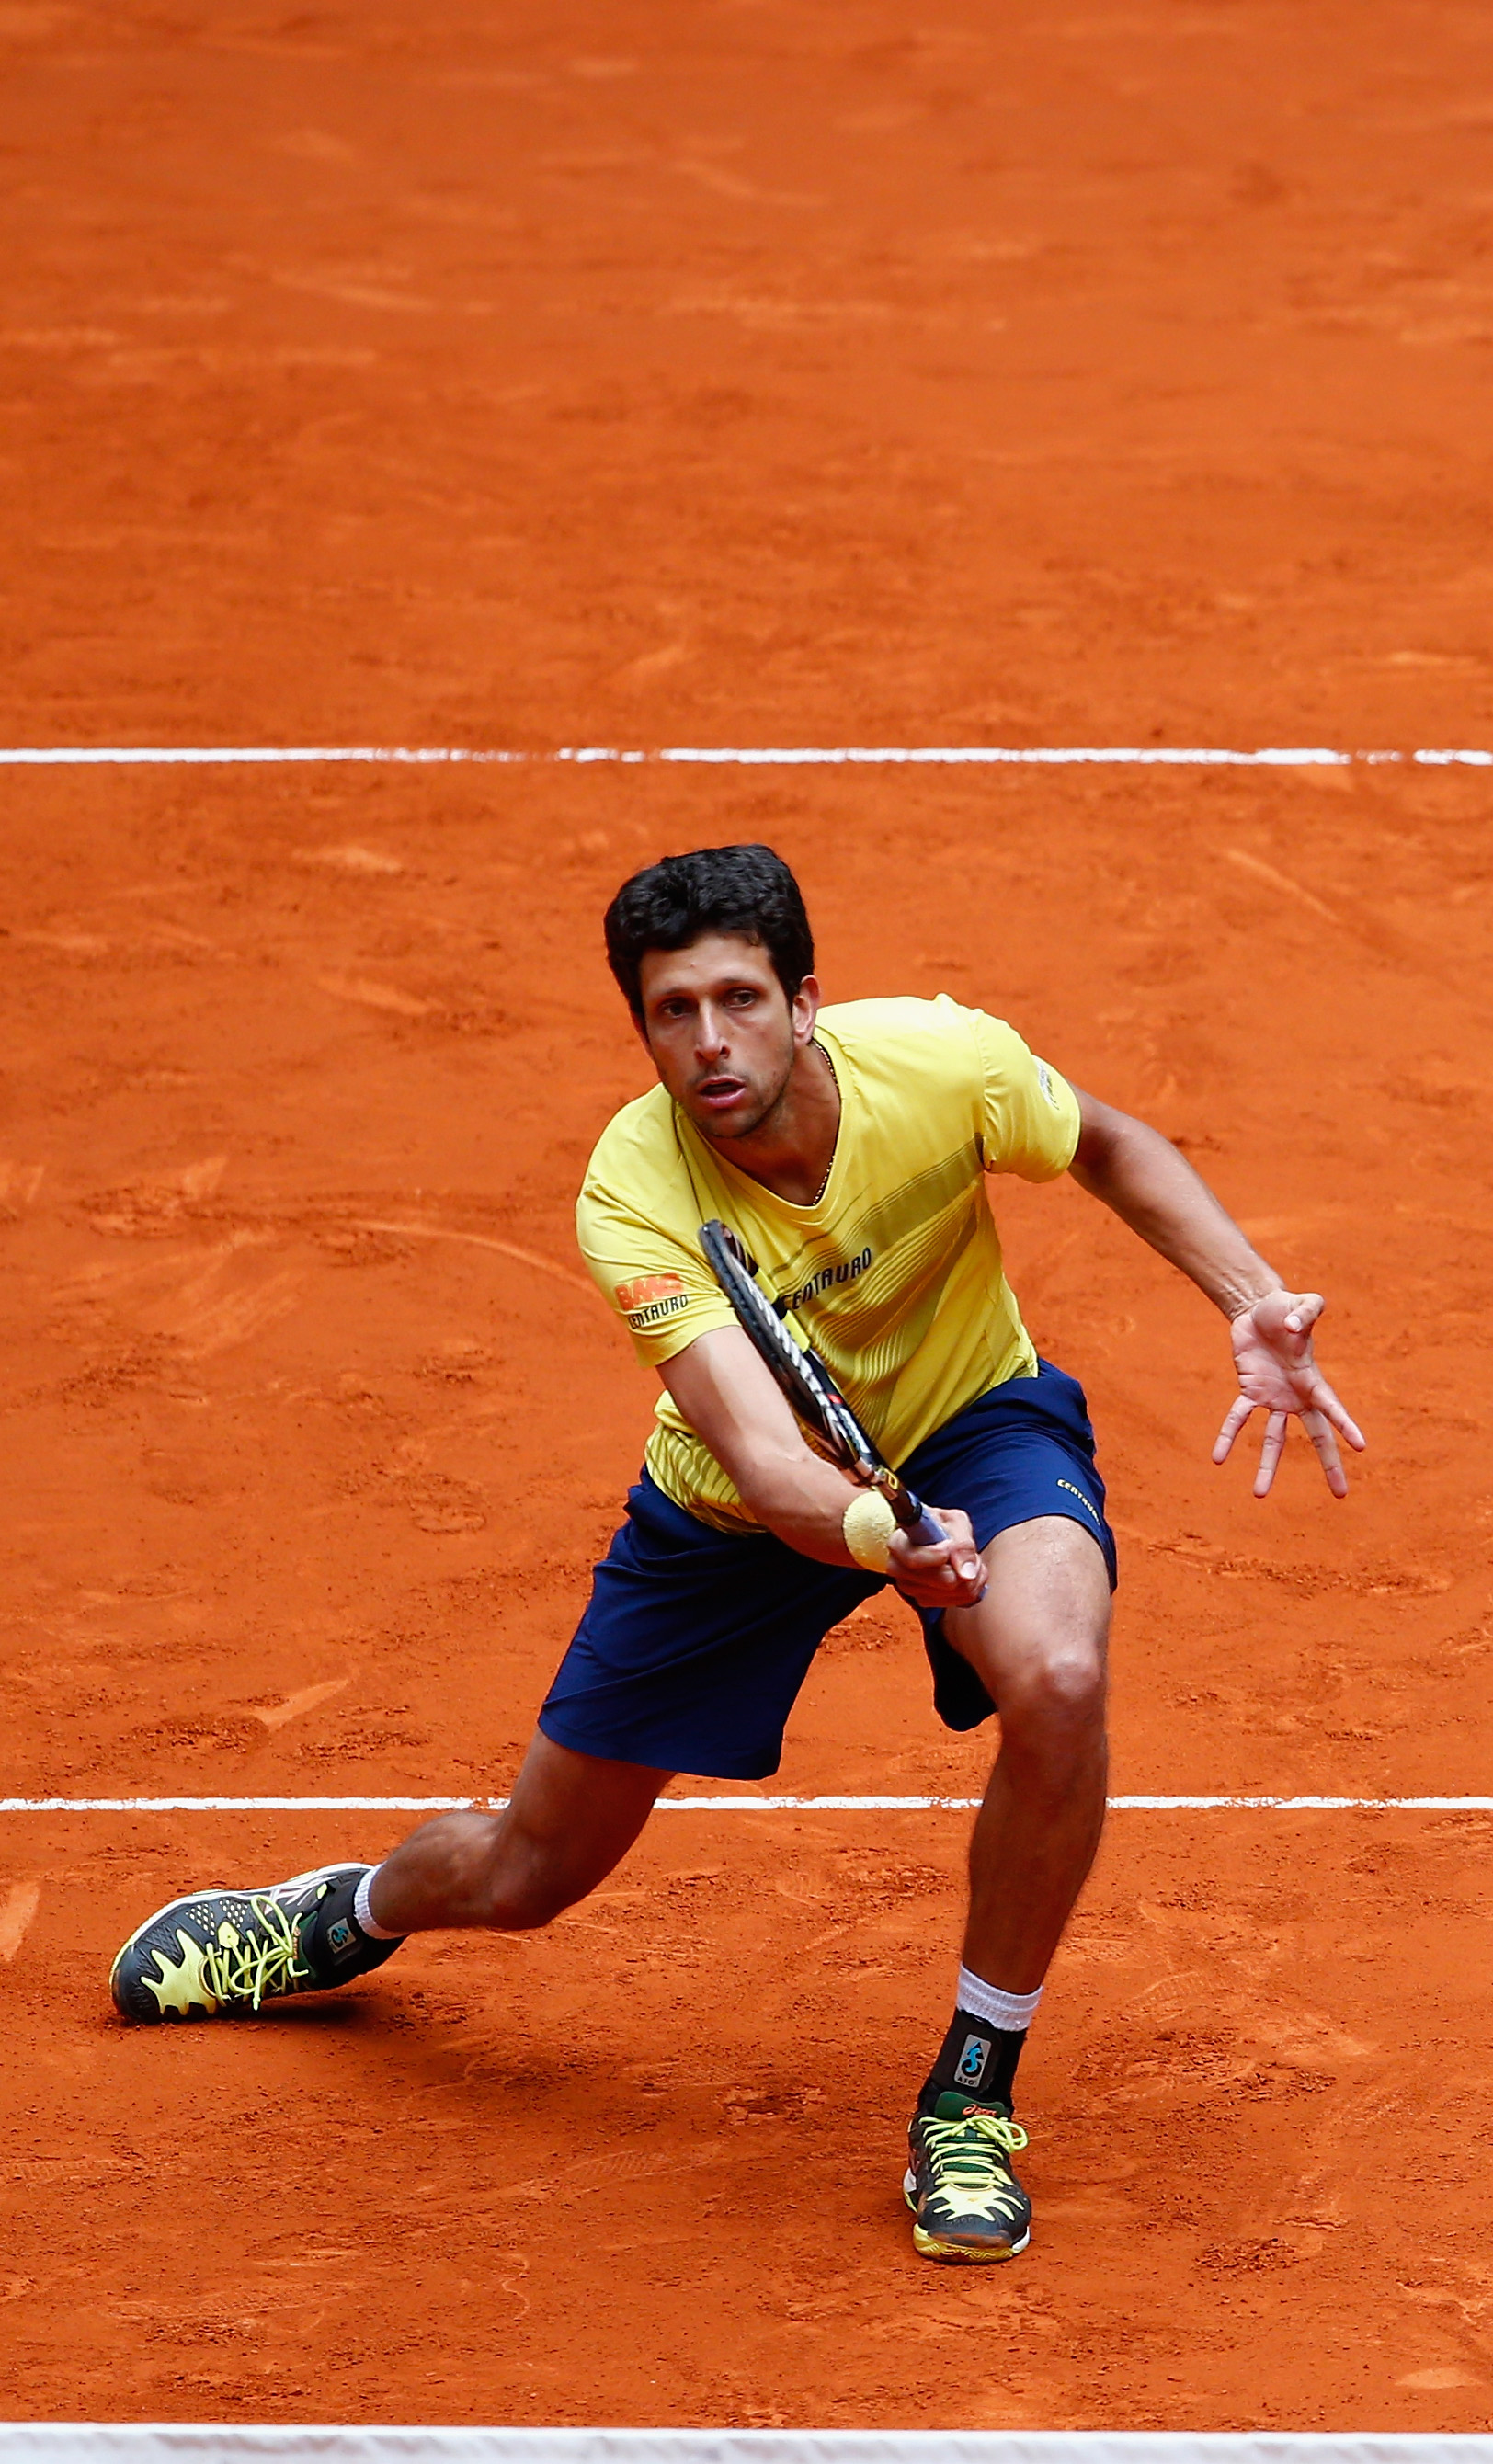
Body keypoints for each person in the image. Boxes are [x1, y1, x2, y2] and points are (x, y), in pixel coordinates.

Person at [107, 844, 1363, 2266]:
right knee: (532, 1874)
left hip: (970, 1422)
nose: (709, 1043)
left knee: (1059, 1677)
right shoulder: (632, 1193)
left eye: (739, 1001)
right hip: (730, 1510)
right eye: (671, 1013)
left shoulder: (945, 1066)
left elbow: (1113, 1146)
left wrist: (1250, 1298)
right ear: (640, 1026)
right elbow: (768, 1459)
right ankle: (342, 1916)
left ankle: (970, 2094)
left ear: (805, 998)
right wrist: (885, 1536)